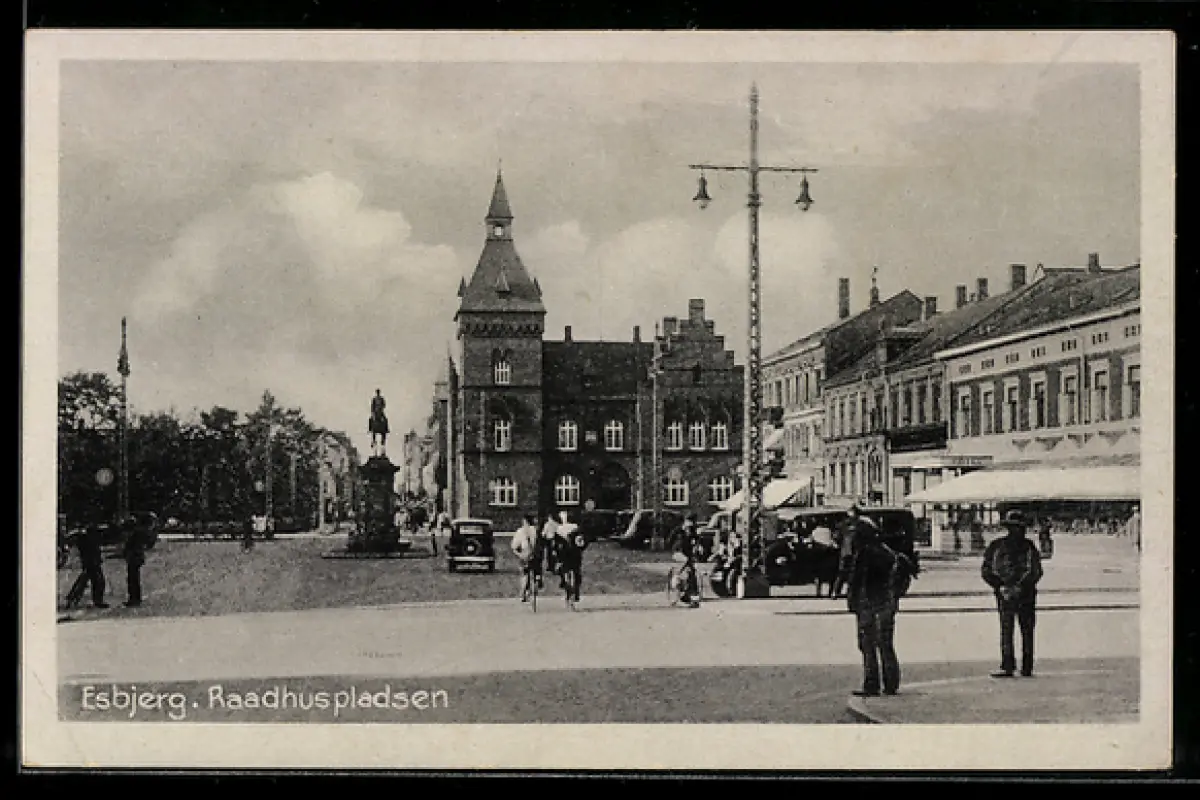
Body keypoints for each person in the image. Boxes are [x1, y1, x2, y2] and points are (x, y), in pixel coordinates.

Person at [837, 503, 902, 696]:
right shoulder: (887, 552)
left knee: (868, 645)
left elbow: (858, 582)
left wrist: (853, 602)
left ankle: (872, 684)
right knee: (885, 644)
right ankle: (890, 683)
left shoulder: (865, 555)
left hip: (869, 605)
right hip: (886, 604)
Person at [981, 509, 1044, 678]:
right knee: (1009, 629)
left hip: (1021, 593)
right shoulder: (998, 546)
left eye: (1019, 527)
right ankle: (1010, 664)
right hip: (1011, 593)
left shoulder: (1027, 547)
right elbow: (986, 570)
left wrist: (1016, 587)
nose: (1017, 531)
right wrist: (1000, 586)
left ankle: (1025, 666)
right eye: (1014, 527)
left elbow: (1036, 571)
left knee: (1023, 629)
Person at [66, 524, 108, 610]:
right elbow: (92, 553)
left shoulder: (85, 539)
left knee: (85, 581)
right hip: (92, 563)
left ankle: (72, 598)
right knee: (97, 582)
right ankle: (97, 601)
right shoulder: (88, 541)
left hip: (90, 563)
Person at [553, 511, 587, 608]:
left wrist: (555, 554)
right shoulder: (576, 528)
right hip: (575, 555)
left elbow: (555, 545)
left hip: (564, 555)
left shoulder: (559, 529)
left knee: (564, 572)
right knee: (576, 573)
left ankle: (566, 586)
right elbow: (582, 542)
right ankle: (576, 592)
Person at [511, 513, 542, 601]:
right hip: (535, 554)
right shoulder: (536, 530)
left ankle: (524, 593)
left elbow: (514, 546)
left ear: (524, 521)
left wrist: (518, 554)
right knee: (536, 571)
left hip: (525, 554)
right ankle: (537, 581)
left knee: (524, 574)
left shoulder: (520, 531)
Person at [675, 514, 703, 607]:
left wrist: (698, 547)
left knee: (691, 573)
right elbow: (672, 541)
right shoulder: (679, 531)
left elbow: (697, 541)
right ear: (685, 521)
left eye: (692, 522)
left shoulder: (692, 531)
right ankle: (678, 577)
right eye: (689, 522)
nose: (690, 524)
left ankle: (690, 594)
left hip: (688, 554)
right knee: (687, 566)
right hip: (678, 552)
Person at [122, 516, 148, 608]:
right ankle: (135, 598)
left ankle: (134, 599)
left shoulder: (135, 536)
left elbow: (133, 549)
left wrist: (127, 554)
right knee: (134, 579)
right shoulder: (137, 534)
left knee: (133, 580)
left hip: (134, 559)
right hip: (135, 559)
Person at [540, 511, 560, 576]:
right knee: (555, 553)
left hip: (549, 540)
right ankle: (554, 567)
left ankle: (550, 567)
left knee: (549, 554)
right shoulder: (556, 524)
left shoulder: (547, 524)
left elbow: (543, 533)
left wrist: (542, 536)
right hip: (556, 539)